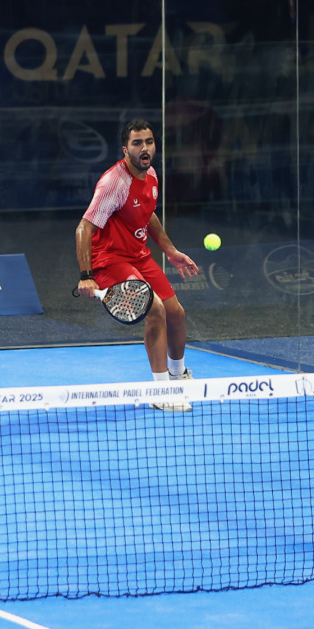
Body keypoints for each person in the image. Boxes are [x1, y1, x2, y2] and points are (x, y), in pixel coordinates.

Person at [76, 118, 199, 411]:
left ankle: (177, 375)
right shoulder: (113, 183)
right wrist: (86, 275)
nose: (144, 148)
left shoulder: (151, 175)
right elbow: (83, 228)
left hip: (138, 255)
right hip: (110, 259)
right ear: (125, 149)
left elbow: (147, 214)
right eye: (137, 143)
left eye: (149, 142)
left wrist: (169, 250)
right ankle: (160, 392)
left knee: (176, 313)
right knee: (153, 308)